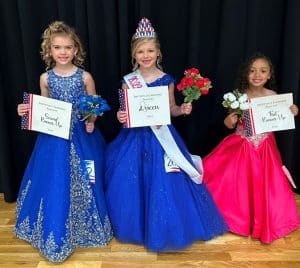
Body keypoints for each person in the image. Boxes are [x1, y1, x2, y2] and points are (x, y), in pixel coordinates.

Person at [105, 17, 227, 252]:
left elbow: (170, 109)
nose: (146, 55)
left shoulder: (167, 80)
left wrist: (182, 109)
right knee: (132, 181)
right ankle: (136, 226)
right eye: (140, 51)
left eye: (150, 50)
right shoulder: (128, 82)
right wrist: (122, 116)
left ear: (158, 52)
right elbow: (125, 110)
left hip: (162, 138)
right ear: (134, 55)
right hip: (134, 138)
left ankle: (165, 228)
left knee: (164, 183)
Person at [15, 21, 113, 262]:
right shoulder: (45, 78)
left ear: (76, 50)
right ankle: (56, 225)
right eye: (57, 47)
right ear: (49, 50)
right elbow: (44, 108)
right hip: (54, 138)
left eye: (68, 47)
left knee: (85, 179)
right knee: (56, 179)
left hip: (81, 135)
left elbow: (94, 104)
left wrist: (92, 119)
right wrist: (27, 111)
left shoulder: (85, 76)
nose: (63, 52)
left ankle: (84, 224)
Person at [203, 52, 300, 243]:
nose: (257, 75)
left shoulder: (273, 96)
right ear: (246, 74)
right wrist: (229, 120)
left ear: (269, 75)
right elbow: (230, 124)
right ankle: (236, 218)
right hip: (242, 146)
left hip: (265, 148)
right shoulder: (240, 97)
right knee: (236, 185)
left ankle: (263, 220)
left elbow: (280, 118)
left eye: (263, 71)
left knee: (266, 184)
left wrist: (292, 112)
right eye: (252, 71)